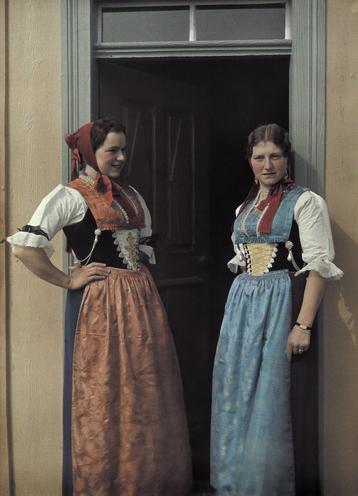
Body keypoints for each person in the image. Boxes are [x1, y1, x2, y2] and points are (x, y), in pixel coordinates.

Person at [5, 118, 192, 496]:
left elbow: (141, 247)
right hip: (100, 304)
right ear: (90, 154)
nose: (121, 157)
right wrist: (67, 279)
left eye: (124, 149)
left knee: (145, 387)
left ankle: (146, 481)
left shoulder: (130, 195)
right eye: (112, 150)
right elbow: (24, 248)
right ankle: (106, 484)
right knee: (103, 391)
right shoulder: (70, 195)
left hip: (140, 299)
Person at [210, 124, 343, 496]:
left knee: (274, 396)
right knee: (236, 390)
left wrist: (303, 325)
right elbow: (242, 261)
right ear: (249, 162)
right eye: (259, 157)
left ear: (286, 160)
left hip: (283, 303)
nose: (267, 165)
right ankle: (238, 483)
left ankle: (269, 486)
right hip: (241, 307)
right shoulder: (244, 207)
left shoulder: (306, 202)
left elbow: (317, 266)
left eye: (275, 156)